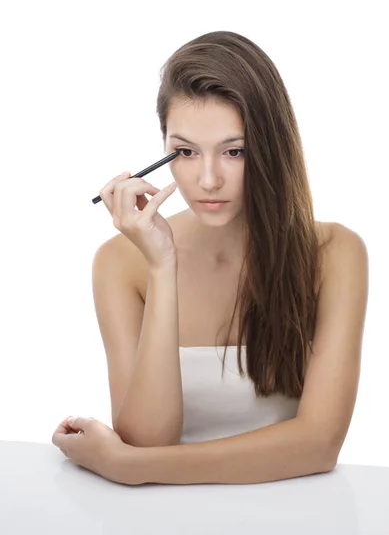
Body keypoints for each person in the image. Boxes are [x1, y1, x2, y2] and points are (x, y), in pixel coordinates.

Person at [93, 31, 338, 447]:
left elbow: (318, 445)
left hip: (297, 511)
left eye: (234, 151)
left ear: (271, 148)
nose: (208, 180)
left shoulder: (334, 254)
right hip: (165, 513)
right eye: (186, 153)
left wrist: (123, 465)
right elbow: (148, 443)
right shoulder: (121, 262)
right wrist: (161, 266)